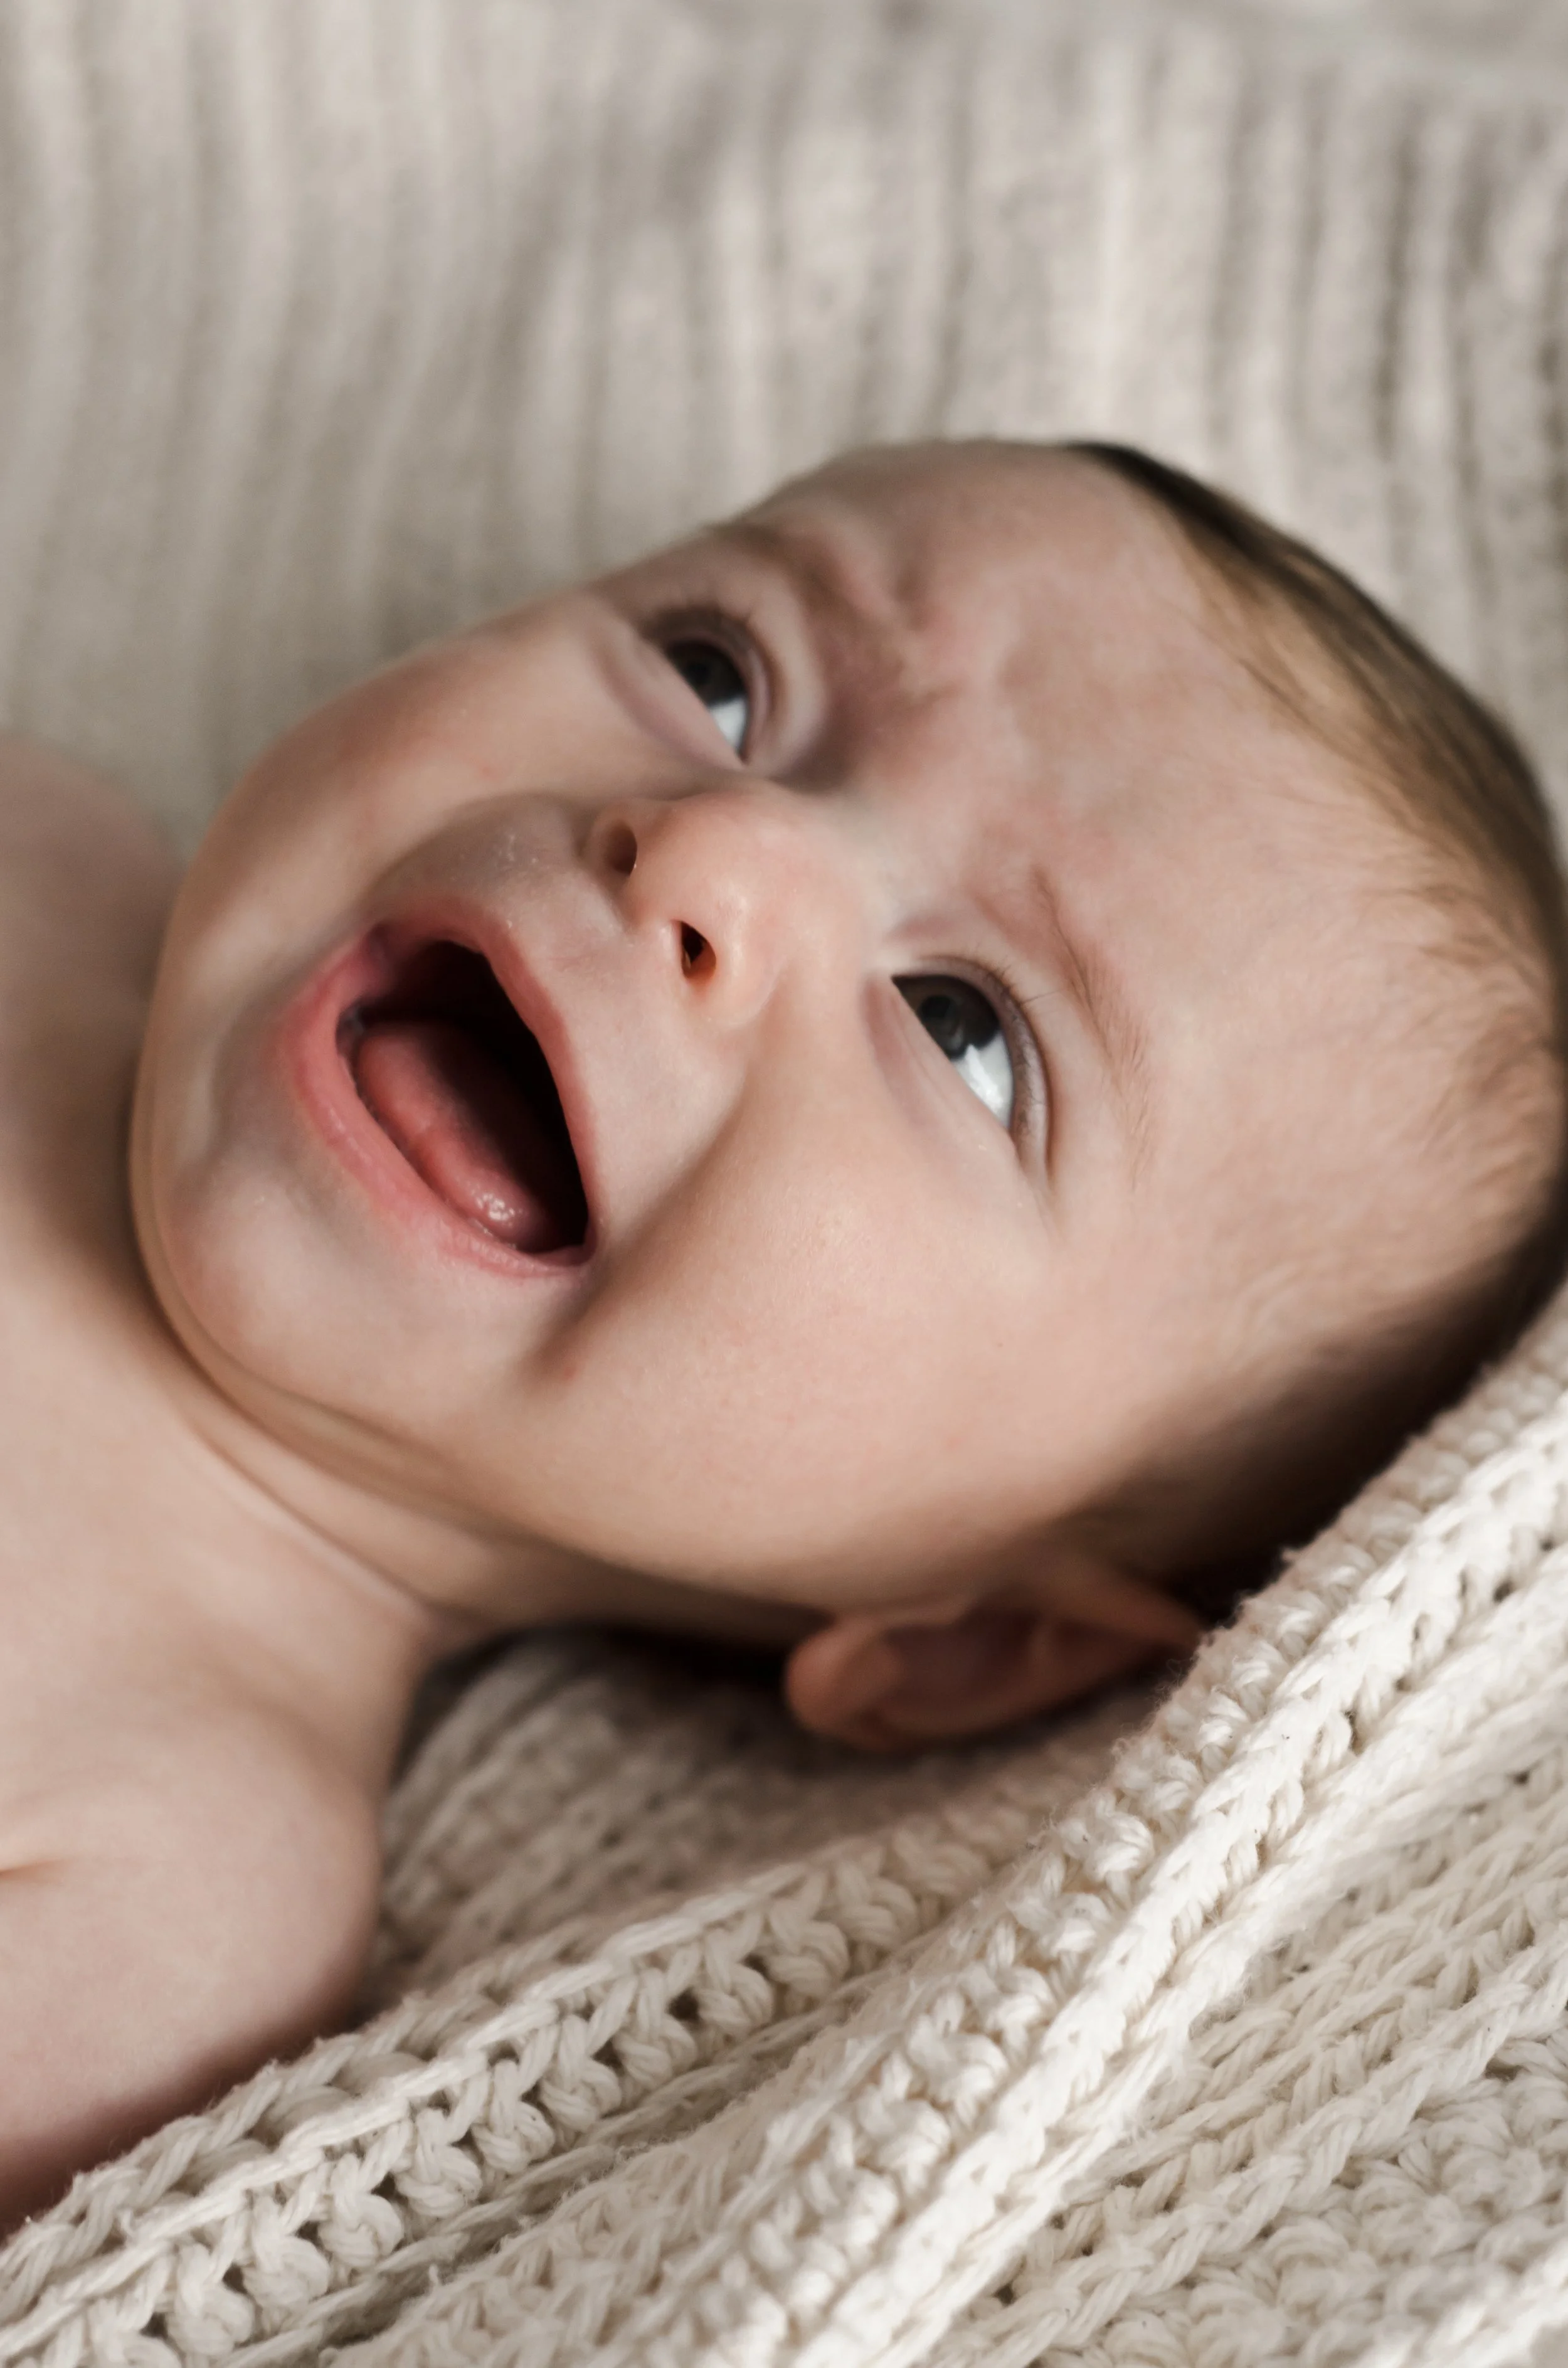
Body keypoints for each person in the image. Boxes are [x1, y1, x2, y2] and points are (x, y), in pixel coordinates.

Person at [1, 439, 1563, 2231]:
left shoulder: (178, 1879)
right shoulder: (44, 836)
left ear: (967, 1639)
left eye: (964, 1030)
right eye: (718, 674)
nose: (720, 850)